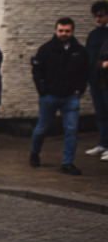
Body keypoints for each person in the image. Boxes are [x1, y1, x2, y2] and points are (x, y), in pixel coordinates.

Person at [29, 17, 89, 175]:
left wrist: (80, 89)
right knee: (42, 128)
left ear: (72, 31)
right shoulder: (46, 49)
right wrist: (42, 89)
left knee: (71, 130)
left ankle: (67, 163)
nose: (64, 34)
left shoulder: (80, 51)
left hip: (71, 98)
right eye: (61, 30)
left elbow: (85, 72)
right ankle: (34, 153)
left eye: (67, 31)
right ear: (56, 31)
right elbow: (37, 70)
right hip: (49, 97)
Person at [84, 1, 108, 160]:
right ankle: (103, 143)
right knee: (100, 113)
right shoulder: (93, 35)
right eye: (96, 16)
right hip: (95, 80)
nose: (98, 19)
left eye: (101, 15)